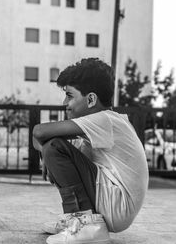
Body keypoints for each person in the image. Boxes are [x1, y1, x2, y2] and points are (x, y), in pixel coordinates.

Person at [32, 58, 148, 244]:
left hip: (118, 204)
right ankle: (75, 220)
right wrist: (45, 154)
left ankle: (85, 225)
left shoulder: (105, 119)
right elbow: (38, 137)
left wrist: (46, 151)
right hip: (115, 204)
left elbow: (39, 131)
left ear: (91, 99)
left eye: (69, 96)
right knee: (53, 148)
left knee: (55, 147)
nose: (64, 102)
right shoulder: (103, 125)